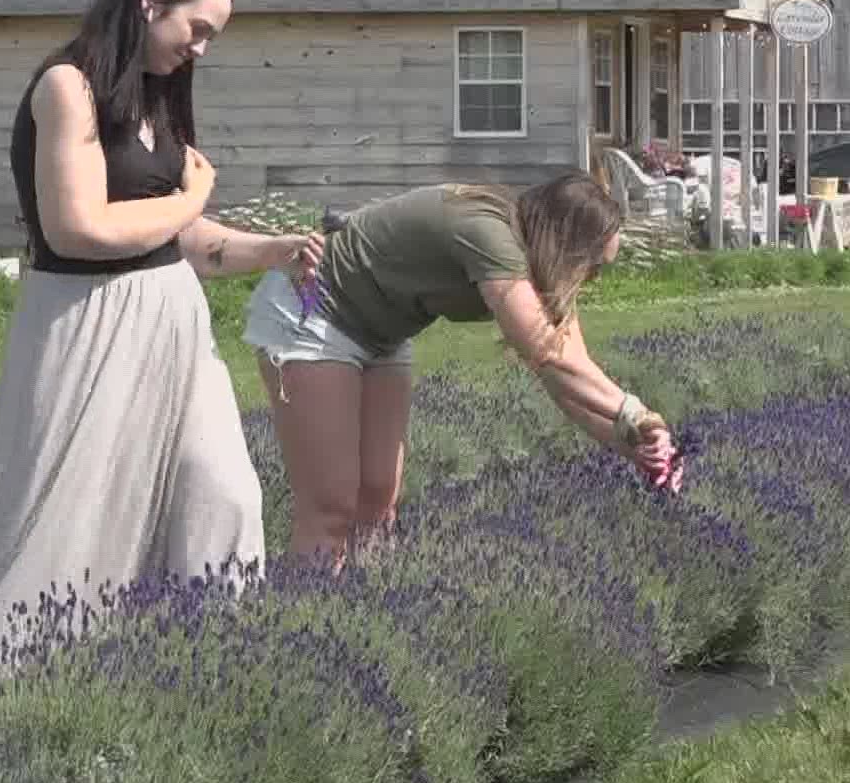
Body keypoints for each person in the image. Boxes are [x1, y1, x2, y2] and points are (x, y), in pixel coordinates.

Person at [0, 0, 324, 677]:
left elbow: (183, 238)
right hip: (87, 324)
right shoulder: (67, 88)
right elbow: (78, 228)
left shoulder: (155, 99)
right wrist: (192, 196)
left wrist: (271, 249)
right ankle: (11, 692)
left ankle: (212, 674)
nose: (201, 48)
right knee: (68, 518)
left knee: (226, 493)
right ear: (150, 2)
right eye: (197, 29)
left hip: (175, 327)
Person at [242, 174, 675, 563]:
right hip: (313, 308)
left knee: (378, 497)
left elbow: (568, 375)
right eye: (595, 265)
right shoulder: (488, 234)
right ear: (568, 243)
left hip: (380, 332)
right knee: (331, 506)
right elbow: (548, 354)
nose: (595, 278)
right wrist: (634, 412)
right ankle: (307, 620)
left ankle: (363, 624)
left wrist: (631, 443)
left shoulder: (539, 268)